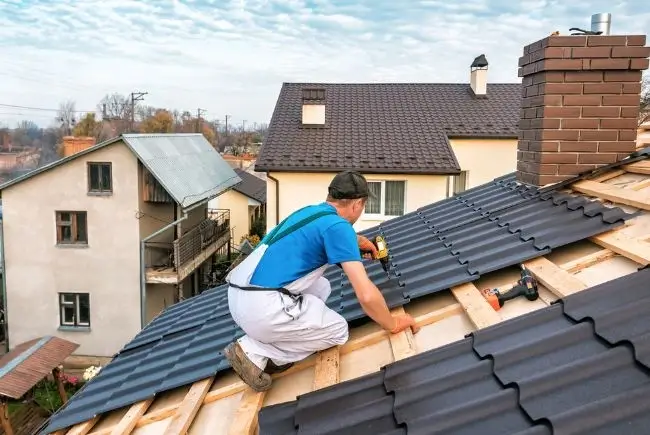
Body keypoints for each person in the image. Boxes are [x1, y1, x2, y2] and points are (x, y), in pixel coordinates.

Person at [223, 170, 420, 392]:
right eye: (363, 206)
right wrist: (393, 324)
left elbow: (320, 236)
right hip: (262, 309)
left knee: (322, 285)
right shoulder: (339, 227)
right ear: (356, 204)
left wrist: (356, 242)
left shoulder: (312, 212)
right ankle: (255, 351)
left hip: (240, 296)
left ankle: (275, 336)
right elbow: (365, 294)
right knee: (337, 330)